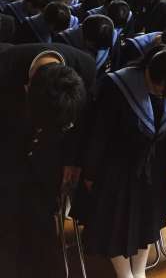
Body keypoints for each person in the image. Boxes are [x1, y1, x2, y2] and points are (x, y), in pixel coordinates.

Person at [80, 47, 166, 278]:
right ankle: (124, 274)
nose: (161, 94)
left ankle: (139, 272)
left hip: (155, 166)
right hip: (116, 168)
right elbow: (98, 133)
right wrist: (90, 172)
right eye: (159, 87)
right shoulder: (116, 85)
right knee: (115, 224)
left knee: (147, 222)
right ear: (148, 70)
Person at [0, 43, 95, 278]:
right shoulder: (5, 65)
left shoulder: (85, 66)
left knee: (42, 219)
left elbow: (82, 121)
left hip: (51, 157)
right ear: (27, 87)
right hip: (8, 151)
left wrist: (73, 160)